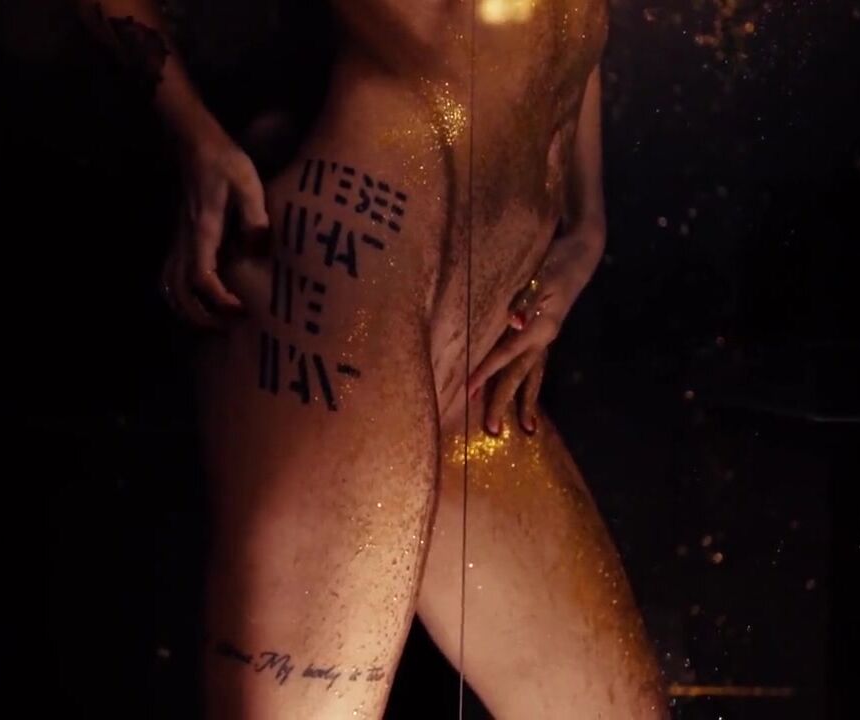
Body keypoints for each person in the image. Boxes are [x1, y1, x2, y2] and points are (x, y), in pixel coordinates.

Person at [84, 1, 666, 716]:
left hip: (480, 348)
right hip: (350, 297)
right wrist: (195, 140)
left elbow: (557, 34)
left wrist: (584, 231)